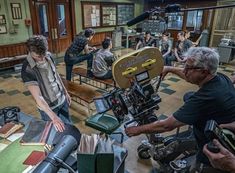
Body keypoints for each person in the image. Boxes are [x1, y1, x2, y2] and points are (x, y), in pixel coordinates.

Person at [125, 47, 235, 170]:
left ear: (204, 71)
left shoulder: (205, 97)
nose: (184, 71)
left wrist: (137, 130)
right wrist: (170, 69)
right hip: (218, 121)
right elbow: (189, 76)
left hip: (213, 148)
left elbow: (167, 125)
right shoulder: (220, 77)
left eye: (189, 68)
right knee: (188, 96)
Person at [21, 35, 72, 132]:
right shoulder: (27, 68)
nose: (42, 58)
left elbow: (56, 75)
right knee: (54, 134)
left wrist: (65, 92)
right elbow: (38, 97)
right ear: (29, 51)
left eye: (43, 54)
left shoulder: (48, 56)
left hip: (61, 99)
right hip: (48, 108)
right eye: (38, 56)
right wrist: (54, 117)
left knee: (69, 126)